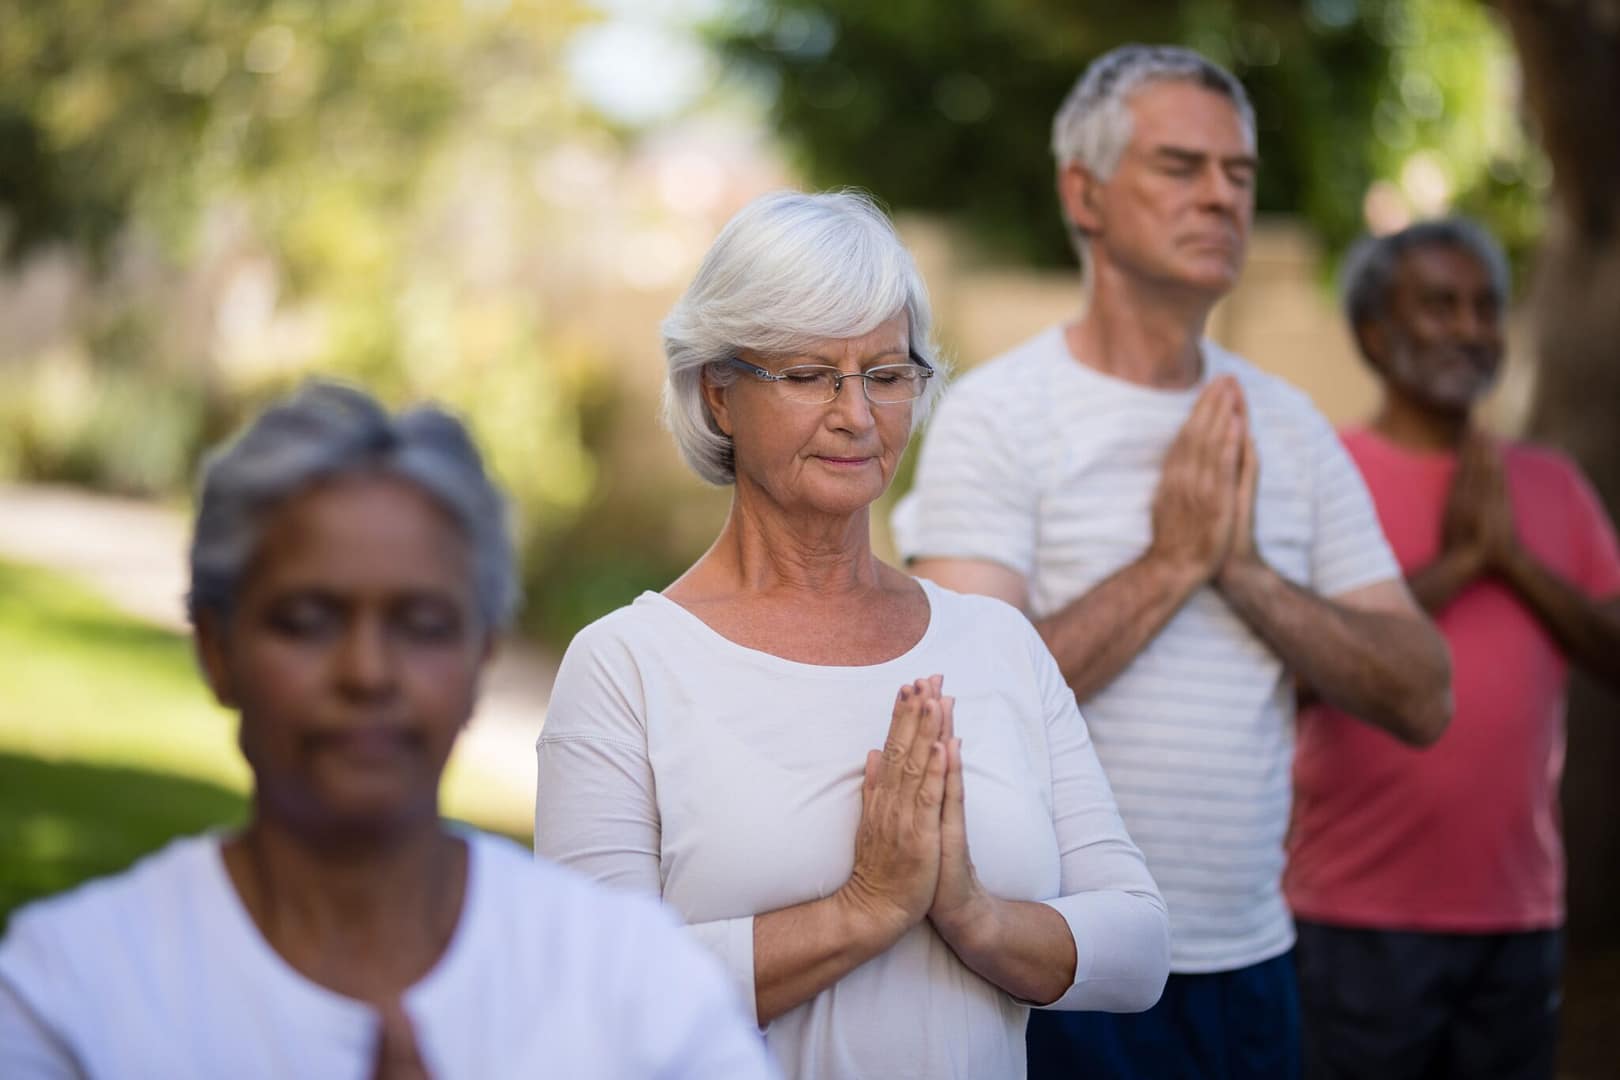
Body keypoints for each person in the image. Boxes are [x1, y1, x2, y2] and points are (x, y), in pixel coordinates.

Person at [894, 44, 1453, 1079]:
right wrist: (1170, 563)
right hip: (1055, 962)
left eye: (1239, 174)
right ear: (1086, 193)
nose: (1220, 196)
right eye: (1180, 166)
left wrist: (1243, 574)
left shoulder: (1287, 428)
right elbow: (962, 704)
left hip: (1252, 967)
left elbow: (1422, 692)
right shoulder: (997, 416)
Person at [532, 189, 1169, 1080]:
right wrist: (864, 909)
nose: (858, 415)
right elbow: (593, 997)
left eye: (886, 373)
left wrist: (973, 912)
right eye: (808, 375)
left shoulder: (997, 645)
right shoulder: (627, 665)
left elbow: (1139, 946)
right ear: (719, 394)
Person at [0, 382, 778, 1080]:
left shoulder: (627, 981)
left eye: (422, 624)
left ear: (482, 657)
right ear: (216, 649)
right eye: (307, 621)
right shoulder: (71, 992)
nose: (367, 673)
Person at [1286, 219, 1620, 1080]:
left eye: (1484, 307)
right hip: (1353, 918)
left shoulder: (1552, 485)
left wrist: (1512, 560)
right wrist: (1464, 562)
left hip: (1519, 920)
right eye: (1440, 305)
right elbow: (1295, 674)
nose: (1472, 327)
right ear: (1373, 332)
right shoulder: (1323, 476)